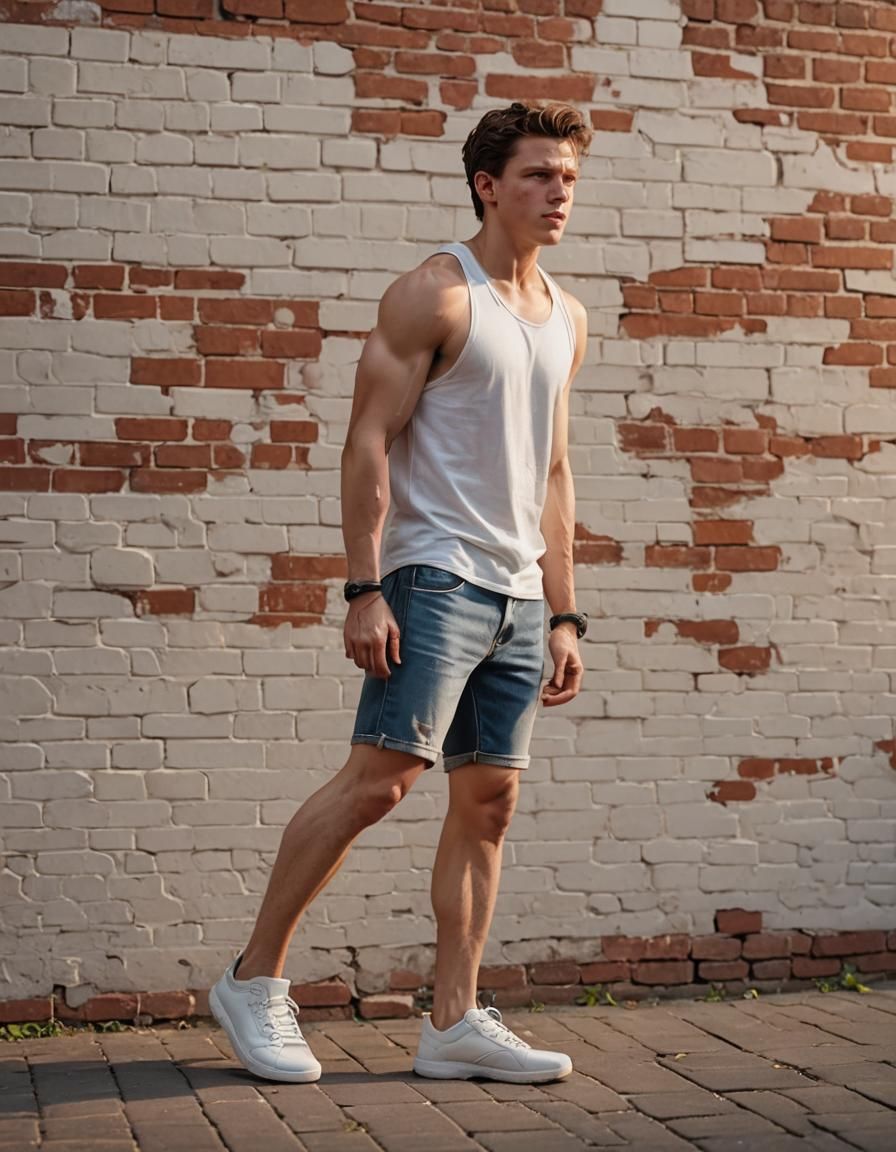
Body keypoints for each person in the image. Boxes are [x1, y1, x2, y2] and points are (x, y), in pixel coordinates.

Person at [210, 100, 592, 1085]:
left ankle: (453, 1020)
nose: (558, 193)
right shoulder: (436, 295)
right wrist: (363, 589)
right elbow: (365, 441)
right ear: (487, 185)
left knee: (489, 805)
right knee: (380, 781)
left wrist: (560, 611)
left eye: (567, 178)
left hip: (514, 597)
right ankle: (254, 981)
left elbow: (551, 473)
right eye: (539, 175)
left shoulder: (566, 319)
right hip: (430, 577)